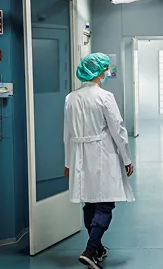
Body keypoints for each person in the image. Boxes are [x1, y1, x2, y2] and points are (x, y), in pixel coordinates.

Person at [63, 53, 135, 269]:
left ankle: (97, 248)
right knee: (104, 204)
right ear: (99, 72)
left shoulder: (70, 98)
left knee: (90, 202)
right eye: (105, 70)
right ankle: (90, 249)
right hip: (102, 154)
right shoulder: (105, 97)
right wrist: (127, 158)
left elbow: (66, 133)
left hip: (79, 156)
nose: (106, 73)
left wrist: (68, 162)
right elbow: (118, 129)